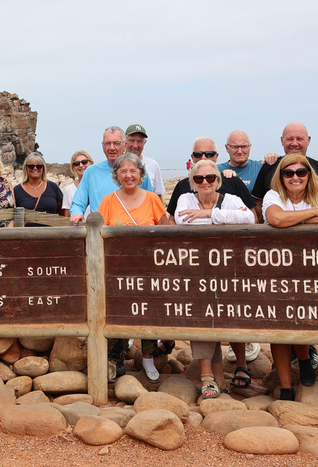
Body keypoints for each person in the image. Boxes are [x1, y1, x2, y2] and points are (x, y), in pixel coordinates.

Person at [263, 154, 318, 400]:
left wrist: (294, 220)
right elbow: (275, 218)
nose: (295, 177)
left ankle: (306, 358)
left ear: (309, 174)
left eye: (301, 172)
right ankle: (286, 387)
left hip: (312, 268)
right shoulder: (272, 196)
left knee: (301, 318)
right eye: (289, 173)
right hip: (278, 269)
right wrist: (316, 214)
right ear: (281, 176)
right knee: (277, 327)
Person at [174, 160, 255, 397]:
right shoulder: (186, 199)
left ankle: (222, 372)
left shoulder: (230, 198)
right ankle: (207, 375)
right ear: (193, 182)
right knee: (202, 315)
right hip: (197, 268)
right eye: (199, 179)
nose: (205, 183)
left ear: (218, 180)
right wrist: (225, 218)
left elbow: (249, 218)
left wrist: (209, 213)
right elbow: (183, 219)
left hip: (229, 267)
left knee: (226, 315)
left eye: (210, 178)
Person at [98, 154, 167, 383]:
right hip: (117, 269)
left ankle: (147, 357)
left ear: (141, 174)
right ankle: (115, 361)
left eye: (133, 171)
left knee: (148, 312)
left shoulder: (151, 199)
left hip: (149, 269)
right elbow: (100, 235)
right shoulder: (108, 201)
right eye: (123, 171)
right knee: (117, 313)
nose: (128, 175)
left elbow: (166, 228)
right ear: (116, 175)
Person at [69, 126, 153, 226]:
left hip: (133, 232)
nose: (112, 148)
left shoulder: (138, 173)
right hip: (100, 233)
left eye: (116, 143)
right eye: (107, 143)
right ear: (102, 146)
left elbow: (150, 204)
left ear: (125, 145)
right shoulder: (91, 172)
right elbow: (78, 203)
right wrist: (76, 213)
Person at [166, 137, 257, 224]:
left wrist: (209, 213)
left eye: (209, 154)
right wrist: (232, 216)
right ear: (192, 157)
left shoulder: (233, 182)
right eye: (198, 154)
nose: (203, 158)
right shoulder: (183, 187)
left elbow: (251, 217)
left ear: (216, 156)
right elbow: (176, 220)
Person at [251, 122, 318, 211]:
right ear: (282, 140)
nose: (294, 143)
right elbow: (258, 204)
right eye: (289, 139)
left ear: (308, 140)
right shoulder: (269, 167)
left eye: (299, 139)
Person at [13, 152, 63, 225]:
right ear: (26, 168)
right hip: (26, 235)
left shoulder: (53, 187)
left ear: (43, 168)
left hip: (51, 234)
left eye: (39, 166)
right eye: (31, 166)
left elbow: (62, 213)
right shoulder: (17, 190)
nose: (35, 168)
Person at [125, 124, 165, 198]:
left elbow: (158, 197)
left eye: (139, 141)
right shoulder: (118, 165)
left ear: (144, 143)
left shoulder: (153, 165)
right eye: (132, 141)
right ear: (125, 141)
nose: (135, 145)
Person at [61, 151, 94, 217]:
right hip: (78, 226)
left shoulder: (99, 186)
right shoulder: (69, 190)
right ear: (73, 167)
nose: (81, 165)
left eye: (84, 162)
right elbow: (67, 216)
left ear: (91, 163)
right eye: (76, 163)